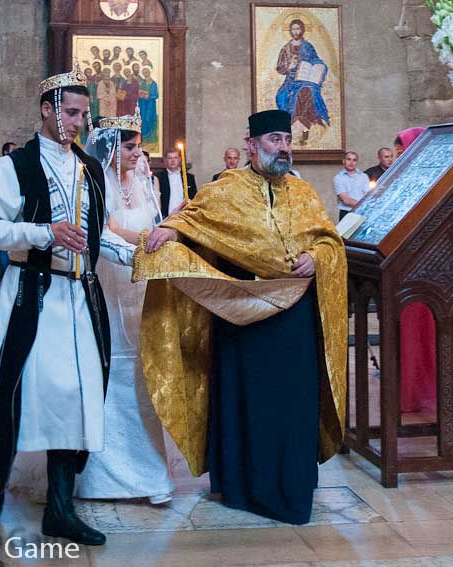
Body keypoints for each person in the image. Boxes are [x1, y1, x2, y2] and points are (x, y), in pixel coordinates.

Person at [139, 109, 347, 525]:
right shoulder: (226, 188)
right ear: (251, 145)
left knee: (292, 404)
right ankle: (243, 486)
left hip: (293, 320)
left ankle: (289, 488)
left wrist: (316, 257)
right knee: (249, 402)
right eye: (274, 139)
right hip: (241, 316)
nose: (284, 148)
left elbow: (330, 241)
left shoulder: (302, 193)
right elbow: (194, 221)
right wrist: (171, 232)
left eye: (287, 140)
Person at [0, 65, 136, 546]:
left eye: (83, 114)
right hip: (30, 294)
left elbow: (96, 234)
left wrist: (144, 252)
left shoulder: (90, 168)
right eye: (70, 112)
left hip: (80, 297)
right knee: (14, 391)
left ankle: (60, 510)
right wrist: (44, 233)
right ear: (47, 108)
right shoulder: (13, 166)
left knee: (74, 401)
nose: (77, 122)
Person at [77, 109, 173, 503]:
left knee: (142, 377)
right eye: (130, 147)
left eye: (138, 147)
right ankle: (99, 479)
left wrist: (165, 232)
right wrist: (145, 243)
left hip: (140, 289)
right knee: (110, 374)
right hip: (108, 284)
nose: (137, 154)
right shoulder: (94, 183)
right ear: (111, 148)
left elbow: (150, 228)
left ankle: (151, 475)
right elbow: (102, 234)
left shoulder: (145, 181)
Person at [394, 125, 453, 416]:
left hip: (427, 271)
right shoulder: (404, 180)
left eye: (404, 150)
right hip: (404, 269)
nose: (400, 156)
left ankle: (441, 390)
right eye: (398, 151)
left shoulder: (431, 182)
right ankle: (412, 389)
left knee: (431, 334)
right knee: (409, 335)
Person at [275, 19, 330, 142]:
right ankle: (296, 125)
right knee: (282, 96)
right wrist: (289, 67)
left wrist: (320, 66)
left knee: (307, 91)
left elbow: (315, 60)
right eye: (293, 29)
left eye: (298, 29)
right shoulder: (286, 48)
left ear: (302, 30)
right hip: (291, 80)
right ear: (290, 31)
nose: (296, 31)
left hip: (307, 79)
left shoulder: (308, 46)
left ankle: (304, 126)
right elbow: (279, 67)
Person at [154, 149, 196, 217]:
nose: (173, 160)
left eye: (175, 158)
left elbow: (193, 197)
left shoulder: (189, 177)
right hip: (165, 216)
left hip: (184, 216)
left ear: (179, 159)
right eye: (169, 158)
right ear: (165, 160)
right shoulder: (158, 177)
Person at [0, 142, 18, 273]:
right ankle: (7, 273)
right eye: (13, 150)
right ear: (6, 152)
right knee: (5, 245)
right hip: (5, 211)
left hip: (14, 211)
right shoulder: (2, 167)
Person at [333, 151, 370, 220]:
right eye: (349, 159)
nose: (351, 163)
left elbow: (367, 195)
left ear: (356, 162)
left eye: (354, 160)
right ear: (344, 161)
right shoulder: (338, 178)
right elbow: (345, 200)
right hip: (346, 212)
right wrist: (363, 205)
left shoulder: (364, 176)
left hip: (361, 212)